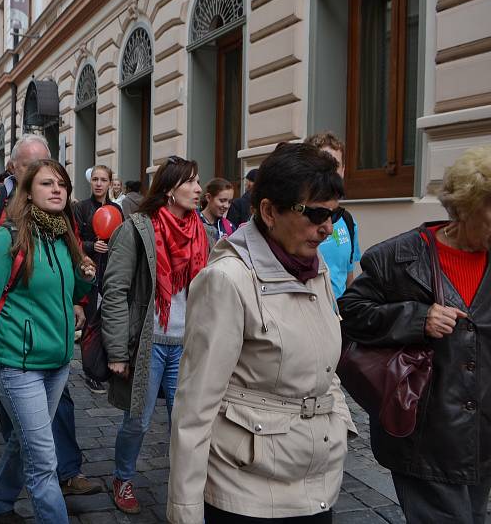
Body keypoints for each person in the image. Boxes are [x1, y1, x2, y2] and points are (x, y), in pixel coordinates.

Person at [168, 143, 356, 523]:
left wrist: (337, 420)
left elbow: (325, 369)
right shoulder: (227, 280)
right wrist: (186, 512)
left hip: (317, 484)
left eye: (333, 216)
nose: (326, 228)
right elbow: (195, 406)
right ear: (269, 211)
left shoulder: (312, 267)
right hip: (245, 493)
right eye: (315, 213)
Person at [338, 145, 491, 524]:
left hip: (482, 437)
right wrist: (417, 318)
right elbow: (352, 314)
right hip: (424, 435)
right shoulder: (401, 256)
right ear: (468, 205)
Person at [0, 134, 102, 497]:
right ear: (23, 184)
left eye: (61, 183)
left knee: (24, 440)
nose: (56, 189)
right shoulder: (4, 237)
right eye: (45, 181)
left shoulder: (63, 235)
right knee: (43, 461)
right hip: (18, 362)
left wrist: (85, 282)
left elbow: (67, 294)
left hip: (57, 360)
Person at [101, 156, 210, 514]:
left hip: (188, 344)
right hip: (148, 342)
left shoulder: (203, 233)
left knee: (188, 423)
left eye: (198, 182)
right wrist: (117, 351)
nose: (198, 189)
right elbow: (115, 290)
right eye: (191, 182)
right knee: (138, 420)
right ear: (168, 190)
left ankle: (188, 488)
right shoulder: (137, 229)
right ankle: (123, 477)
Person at [74, 165, 123, 394]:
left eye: (103, 179)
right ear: (90, 181)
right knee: (90, 321)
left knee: (110, 320)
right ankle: (91, 371)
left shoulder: (116, 210)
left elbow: (123, 240)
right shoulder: (81, 208)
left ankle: (107, 367)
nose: (99, 184)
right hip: (88, 271)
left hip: (111, 271)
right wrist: (92, 245)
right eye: (95, 179)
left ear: (110, 182)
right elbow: (72, 242)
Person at [305, 132, 361, 298]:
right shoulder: (296, 220)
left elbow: (348, 276)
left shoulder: (348, 221)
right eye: (323, 166)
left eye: (335, 166)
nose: (330, 175)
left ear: (343, 170)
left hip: (338, 319)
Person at [198, 177, 235, 242]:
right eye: (222, 200)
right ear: (208, 198)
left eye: (229, 202)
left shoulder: (229, 227)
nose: (226, 206)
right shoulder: (193, 222)